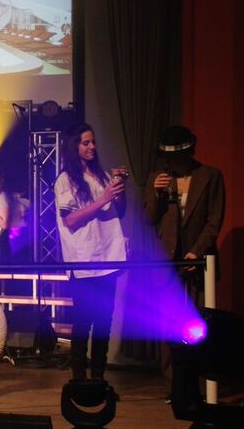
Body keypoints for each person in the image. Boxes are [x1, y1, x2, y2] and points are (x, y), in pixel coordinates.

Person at [143, 125, 225, 381]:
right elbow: (148, 218)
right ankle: (174, 384)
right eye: (166, 158)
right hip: (166, 263)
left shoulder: (210, 176)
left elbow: (214, 221)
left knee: (198, 322)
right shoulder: (158, 178)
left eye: (174, 157)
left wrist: (196, 252)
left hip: (197, 263)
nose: (170, 163)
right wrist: (156, 193)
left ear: (187, 153)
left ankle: (199, 383)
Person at [54, 123, 127, 381]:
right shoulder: (66, 179)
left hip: (108, 257)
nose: (92, 147)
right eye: (86, 143)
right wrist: (103, 199)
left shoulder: (102, 175)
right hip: (84, 261)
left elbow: (119, 212)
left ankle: (98, 378)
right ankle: (78, 379)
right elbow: (70, 220)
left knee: (104, 323)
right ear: (75, 146)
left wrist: (120, 189)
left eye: (93, 142)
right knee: (83, 322)